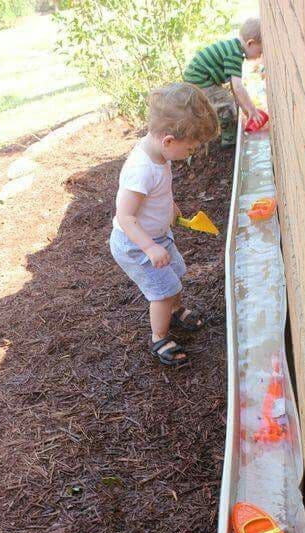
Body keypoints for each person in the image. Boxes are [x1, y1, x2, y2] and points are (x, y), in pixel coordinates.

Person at [109, 83, 218, 367]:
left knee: (176, 272)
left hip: (157, 235)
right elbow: (125, 217)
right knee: (162, 290)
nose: (191, 154)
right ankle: (159, 336)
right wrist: (149, 248)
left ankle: (176, 308)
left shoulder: (160, 153)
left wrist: (169, 206)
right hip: (136, 244)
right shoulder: (141, 170)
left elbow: (158, 192)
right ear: (169, 141)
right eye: (190, 149)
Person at [184, 18, 264, 147]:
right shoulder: (235, 54)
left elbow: (234, 86)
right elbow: (238, 87)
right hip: (199, 79)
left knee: (224, 101)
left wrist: (244, 108)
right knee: (226, 105)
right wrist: (252, 110)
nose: (260, 56)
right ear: (250, 43)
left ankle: (217, 125)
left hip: (197, 76)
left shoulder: (233, 47)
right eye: (260, 51)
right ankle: (229, 140)